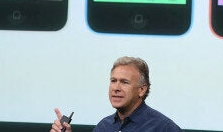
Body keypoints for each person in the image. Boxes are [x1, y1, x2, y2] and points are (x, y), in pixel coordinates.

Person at [50, 56, 182, 132]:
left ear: (142, 90)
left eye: (124, 82)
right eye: (113, 81)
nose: (116, 88)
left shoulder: (163, 127)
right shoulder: (103, 126)